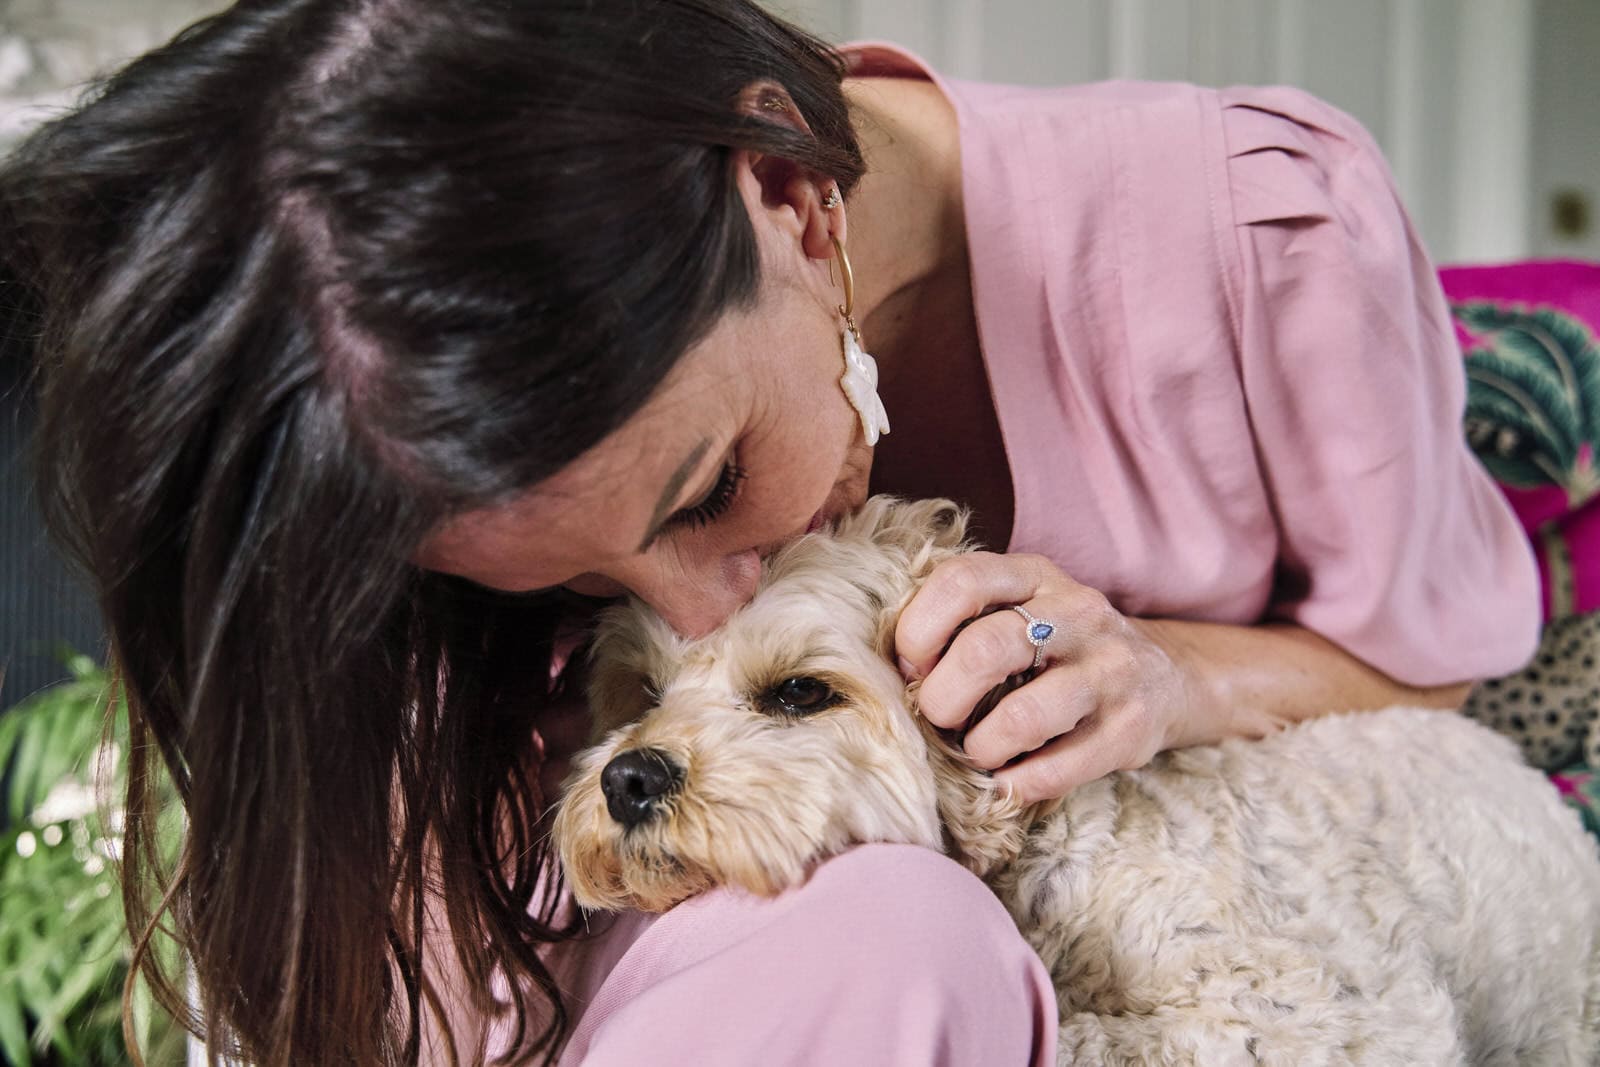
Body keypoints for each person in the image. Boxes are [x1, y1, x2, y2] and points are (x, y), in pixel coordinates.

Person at [0, 0, 1538, 1064]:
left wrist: (1173, 680)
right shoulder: (392, 445)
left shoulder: (1270, 230)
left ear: (794, 198)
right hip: (639, 966)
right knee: (874, 933)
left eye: (703, 488)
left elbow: (1430, 668)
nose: (698, 599)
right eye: (584, 592)